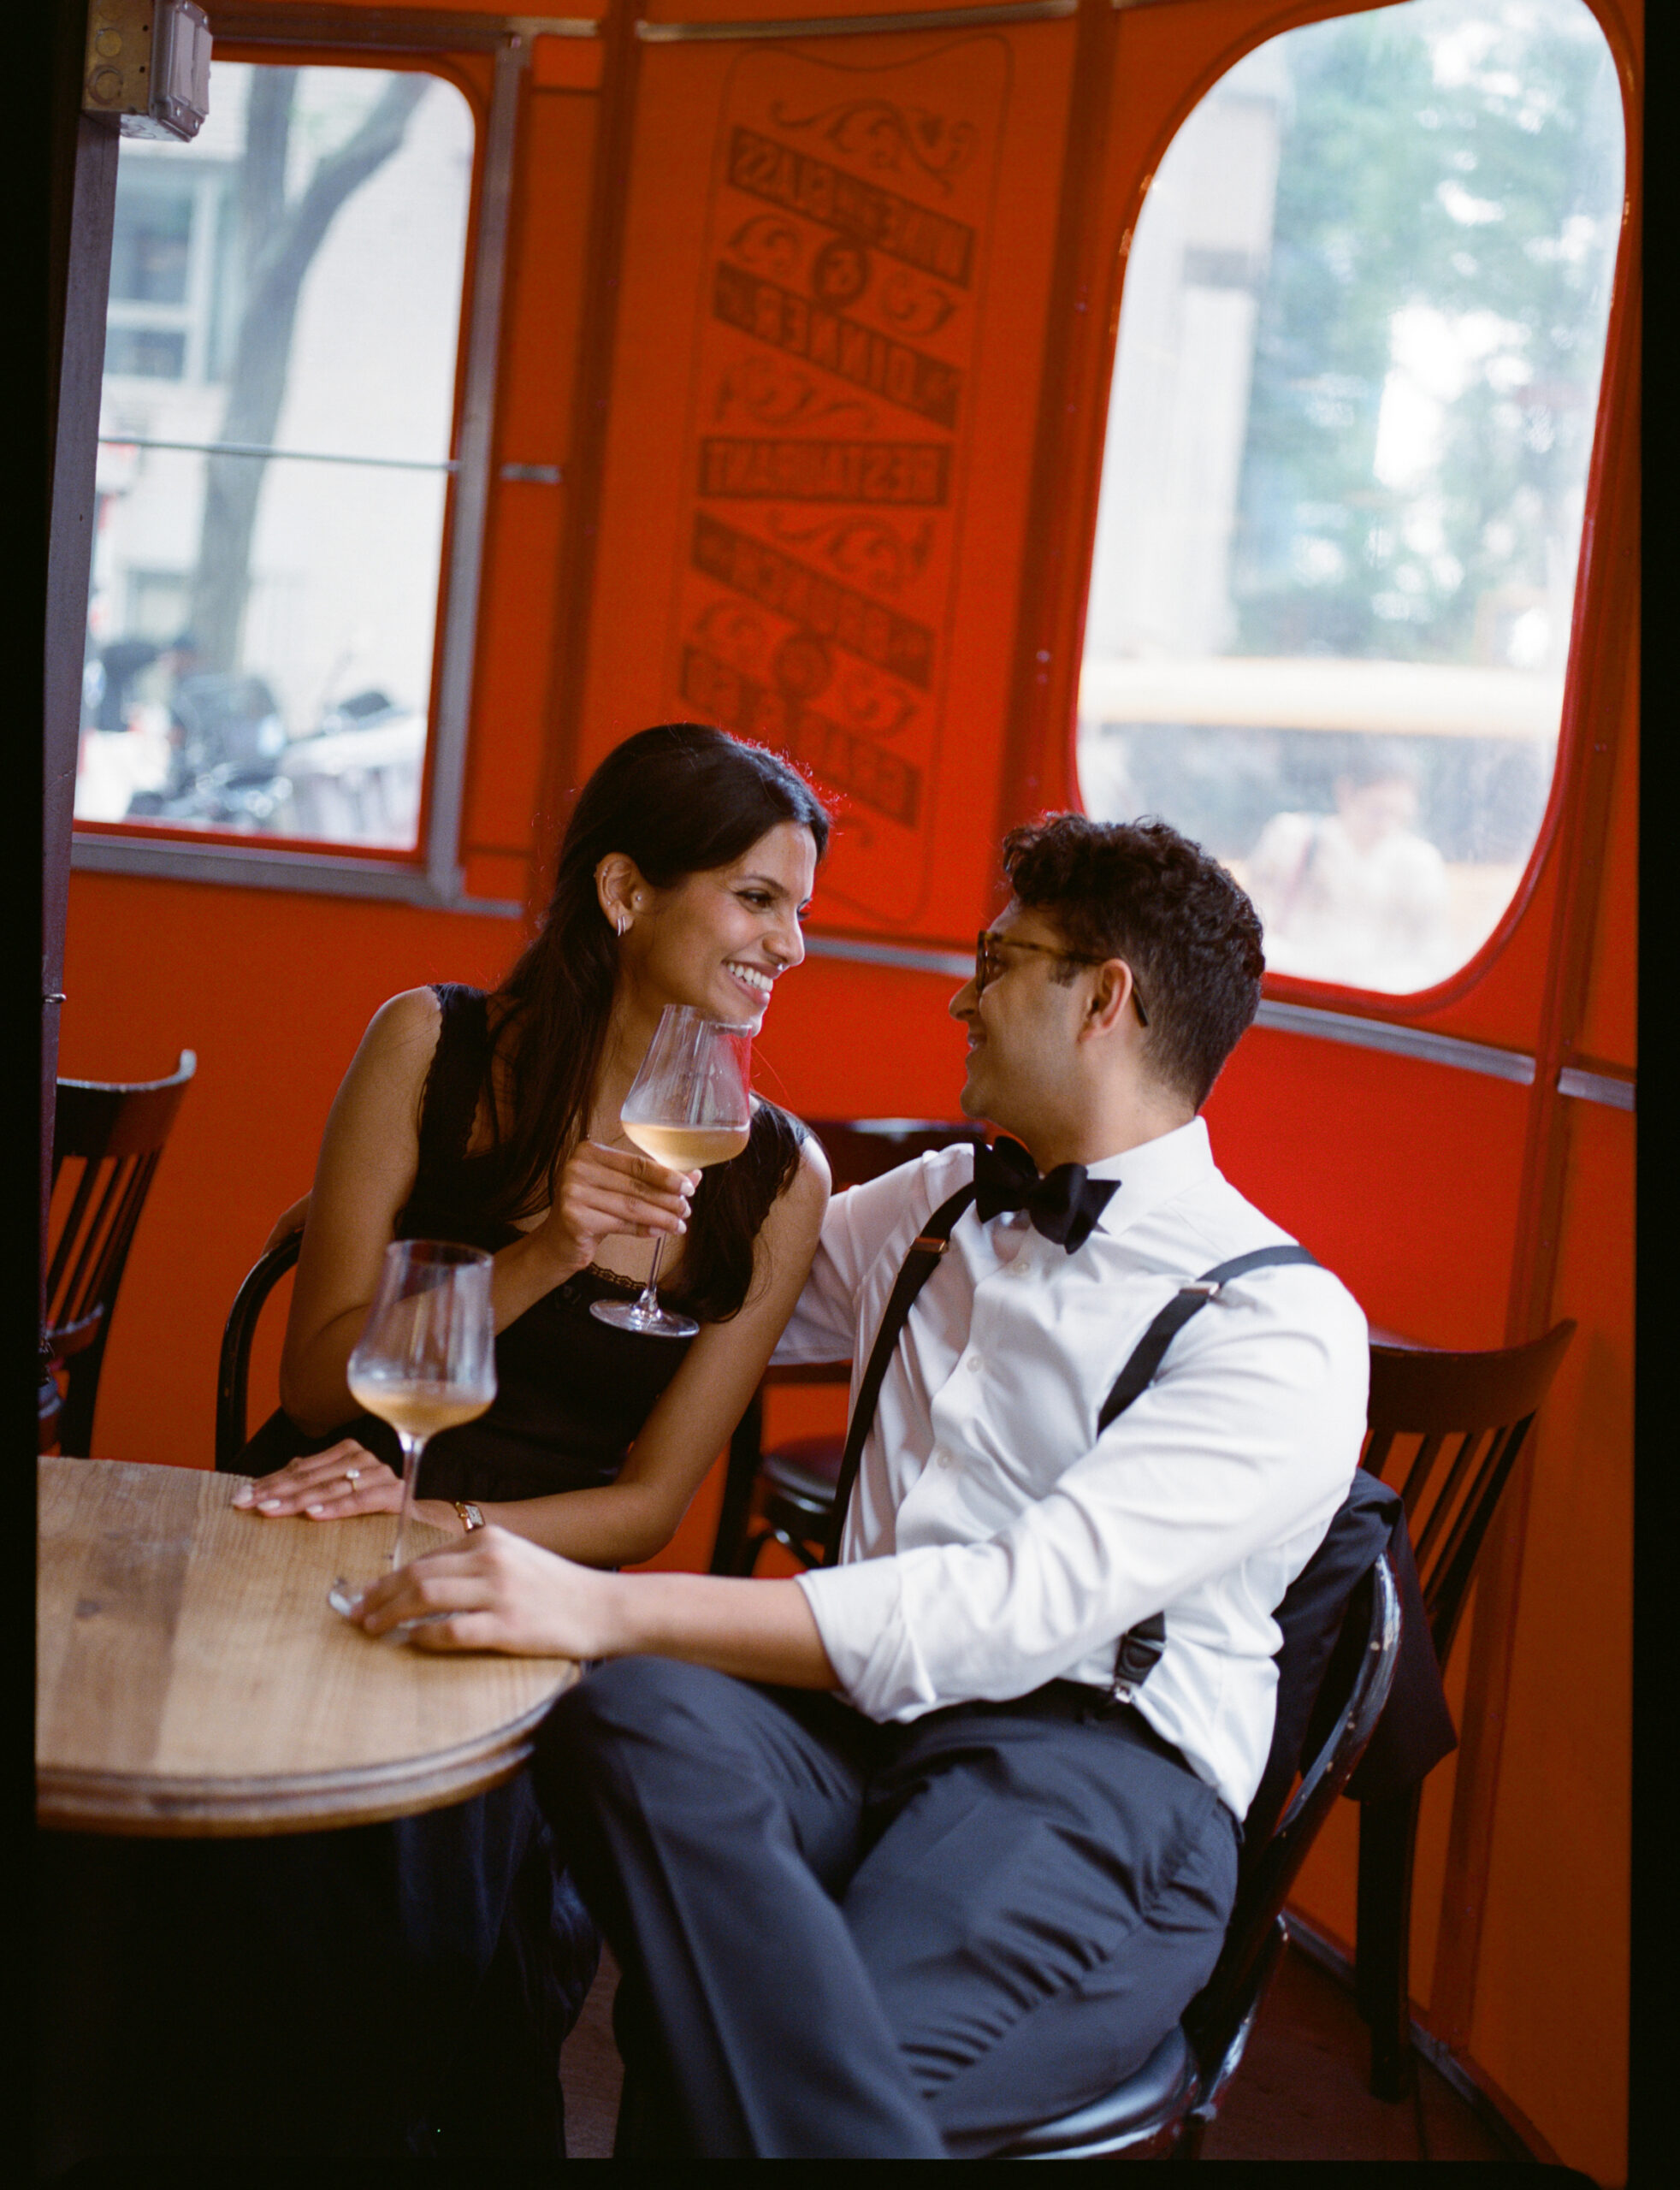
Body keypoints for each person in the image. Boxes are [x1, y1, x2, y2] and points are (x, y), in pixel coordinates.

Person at [348, 812, 1371, 2158]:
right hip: (846, 1744)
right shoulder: (936, 1204)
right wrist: (412, 1246)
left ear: (1105, 998)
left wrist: (607, 1602)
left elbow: (1003, 1613)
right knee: (629, 1717)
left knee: (747, 2032)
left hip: (1088, 1784)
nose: (963, 994)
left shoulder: (1277, 1322)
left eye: (999, 961)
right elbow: (684, 1291)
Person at [44, 724, 833, 2167]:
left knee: (422, 1862)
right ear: (621, 893)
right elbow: (319, 1379)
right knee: (150, 1810)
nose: (789, 942)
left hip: (530, 1567)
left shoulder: (776, 1178)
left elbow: (649, 1505)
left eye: (798, 908)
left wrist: (446, 1541)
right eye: (755, 897)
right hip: (314, 1503)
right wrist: (540, 1252)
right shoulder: (431, 1039)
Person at [1245, 740, 1452, 991]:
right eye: (1377, 811)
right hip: (1296, 992)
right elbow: (1254, 934)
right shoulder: (1294, 840)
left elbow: (1431, 958)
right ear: (1345, 793)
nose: (1386, 826)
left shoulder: (1420, 865)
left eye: (1399, 814)